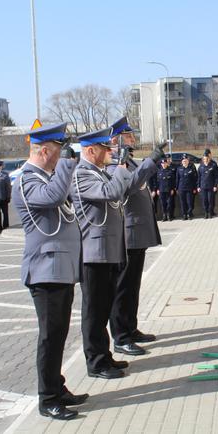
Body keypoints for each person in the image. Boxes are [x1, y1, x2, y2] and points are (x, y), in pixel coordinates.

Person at [11, 122, 86, 421]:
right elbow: (54, 198)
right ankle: (48, 398)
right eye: (57, 151)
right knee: (50, 337)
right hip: (44, 271)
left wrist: (63, 165)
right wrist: (68, 164)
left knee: (59, 333)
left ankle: (58, 386)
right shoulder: (28, 180)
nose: (60, 157)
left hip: (58, 269)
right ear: (44, 151)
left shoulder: (45, 176)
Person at [70, 127, 135, 379]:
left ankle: (104, 355)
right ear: (90, 150)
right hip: (93, 253)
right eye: (105, 149)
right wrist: (120, 167)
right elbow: (111, 193)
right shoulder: (82, 175)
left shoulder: (97, 172)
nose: (109, 152)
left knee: (104, 306)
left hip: (106, 250)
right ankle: (96, 362)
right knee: (94, 311)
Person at [107, 118, 166, 357]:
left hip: (137, 232)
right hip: (127, 233)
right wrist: (151, 161)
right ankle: (120, 336)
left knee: (133, 286)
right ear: (118, 138)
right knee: (123, 287)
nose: (133, 137)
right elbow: (130, 185)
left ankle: (130, 328)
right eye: (128, 135)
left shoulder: (128, 160)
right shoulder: (113, 164)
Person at [197, 151, 218, 219]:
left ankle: (210, 213)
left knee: (210, 200)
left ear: (209, 159)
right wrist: (198, 186)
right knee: (204, 200)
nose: (205, 160)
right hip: (203, 187)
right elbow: (199, 177)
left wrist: (215, 185)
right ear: (203, 159)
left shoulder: (213, 166)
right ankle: (206, 213)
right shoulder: (200, 167)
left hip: (211, 187)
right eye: (204, 159)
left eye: (207, 159)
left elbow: (216, 177)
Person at [175, 155, 197, 220]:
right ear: (182, 162)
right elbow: (177, 179)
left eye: (186, 160)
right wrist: (176, 188)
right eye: (183, 161)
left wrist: (195, 188)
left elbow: (195, 179)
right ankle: (184, 215)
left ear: (188, 161)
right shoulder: (179, 169)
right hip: (181, 188)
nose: (185, 162)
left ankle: (189, 214)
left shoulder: (191, 169)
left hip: (190, 188)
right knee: (183, 203)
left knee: (190, 202)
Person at [0, 160, 12, 232]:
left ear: (1, 166)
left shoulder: (5, 175)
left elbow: (8, 187)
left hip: (3, 197)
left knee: (5, 212)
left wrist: (8, 196)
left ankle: (6, 225)